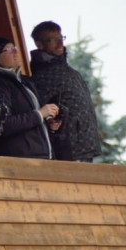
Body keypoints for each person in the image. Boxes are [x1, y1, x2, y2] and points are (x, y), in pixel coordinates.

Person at [29, 21, 102, 162]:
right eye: (53, 40)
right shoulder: (42, 75)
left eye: (61, 38)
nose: (60, 43)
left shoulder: (68, 71)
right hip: (68, 148)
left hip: (85, 144)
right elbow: (44, 112)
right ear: (39, 44)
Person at [0, 37, 58, 159]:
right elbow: (3, 124)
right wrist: (40, 115)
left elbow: (35, 115)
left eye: (15, 48)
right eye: (9, 49)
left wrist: (48, 120)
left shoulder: (24, 81)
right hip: (21, 158)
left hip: (41, 154)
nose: (15, 52)